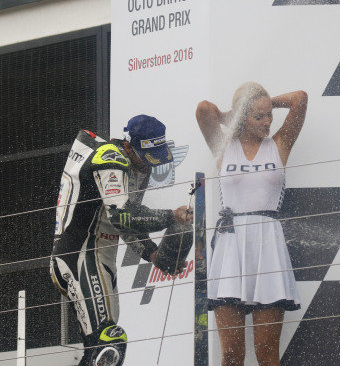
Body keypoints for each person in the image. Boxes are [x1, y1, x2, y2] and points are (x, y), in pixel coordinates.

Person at [50, 115, 193, 366]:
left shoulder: (137, 166)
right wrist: (171, 216)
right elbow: (123, 216)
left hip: (101, 259)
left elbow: (127, 226)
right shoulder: (110, 157)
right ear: (128, 145)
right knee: (109, 346)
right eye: (147, 158)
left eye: (156, 159)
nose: (150, 166)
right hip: (81, 255)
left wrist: (153, 255)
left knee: (100, 349)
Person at [195, 83, 307, 366]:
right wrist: (234, 113)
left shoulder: (279, 144)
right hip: (231, 249)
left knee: (266, 352)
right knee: (231, 355)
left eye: (269, 115)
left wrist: (265, 103)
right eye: (260, 116)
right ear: (242, 116)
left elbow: (299, 99)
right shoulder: (224, 147)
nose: (268, 121)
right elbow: (203, 110)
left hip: (268, 248)